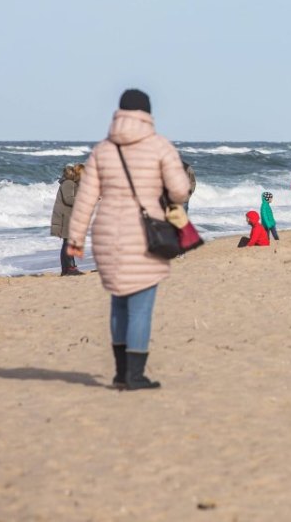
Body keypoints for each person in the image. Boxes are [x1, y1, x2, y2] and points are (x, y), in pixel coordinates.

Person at [67, 89, 191, 391]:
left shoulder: (103, 150)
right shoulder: (159, 146)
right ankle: (134, 375)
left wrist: (75, 239)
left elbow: (85, 198)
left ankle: (120, 373)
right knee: (140, 308)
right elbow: (180, 192)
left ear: (119, 113)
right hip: (145, 234)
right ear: (147, 114)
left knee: (118, 304)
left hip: (107, 233)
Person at [50, 164, 84, 276]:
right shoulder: (68, 183)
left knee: (67, 242)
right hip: (65, 216)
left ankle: (66, 269)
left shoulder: (71, 184)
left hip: (66, 216)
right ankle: (70, 268)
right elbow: (69, 200)